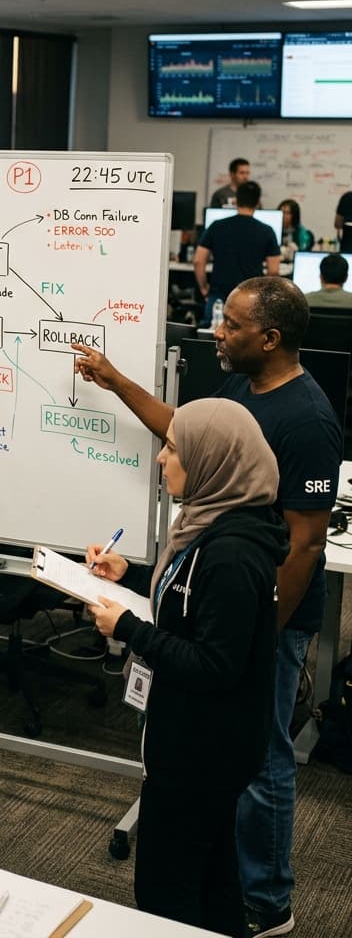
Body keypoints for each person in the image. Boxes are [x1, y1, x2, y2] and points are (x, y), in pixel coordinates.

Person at [73, 275, 342, 938]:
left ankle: (268, 902)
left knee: (262, 757)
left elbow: (305, 545)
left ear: (269, 338)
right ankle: (230, 893)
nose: (217, 333)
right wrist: (116, 381)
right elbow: (186, 431)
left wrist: (255, 638)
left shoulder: (307, 420)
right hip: (223, 609)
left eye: (232, 325)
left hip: (265, 617)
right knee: (224, 780)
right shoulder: (241, 389)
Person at [88, 398, 286, 937]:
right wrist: (131, 574)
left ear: (211, 462)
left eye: (173, 448)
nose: (161, 458)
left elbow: (214, 665)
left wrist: (128, 629)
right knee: (214, 884)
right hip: (206, 745)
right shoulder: (213, 523)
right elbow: (187, 600)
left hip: (202, 752)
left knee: (165, 894)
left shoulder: (231, 554)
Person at [193, 181, 280, 326]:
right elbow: (274, 271)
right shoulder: (267, 231)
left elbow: (198, 261)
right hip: (251, 298)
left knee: (213, 333)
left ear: (236, 200)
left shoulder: (217, 226)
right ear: (258, 202)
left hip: (220, 297)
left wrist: (203, 288)